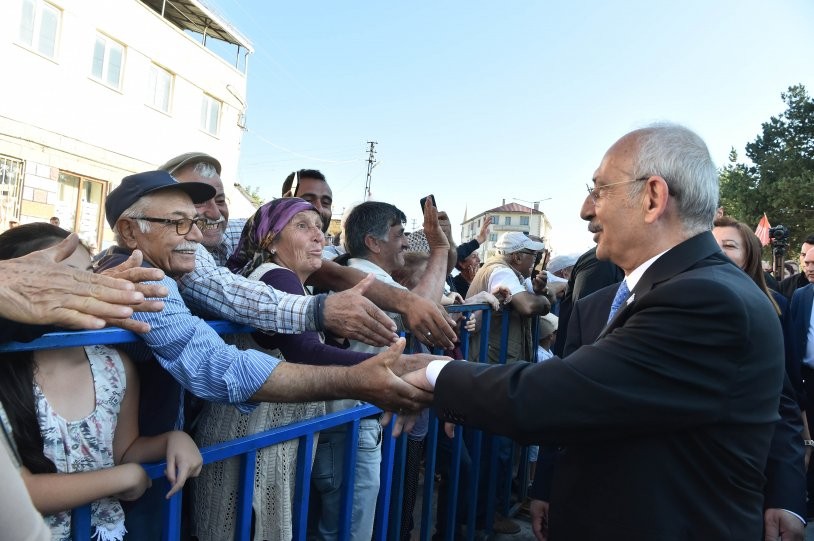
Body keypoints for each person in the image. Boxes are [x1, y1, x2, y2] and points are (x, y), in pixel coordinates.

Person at [409, 123, 786, 540]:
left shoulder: (704, 298)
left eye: (600, 189)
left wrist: (432, 372)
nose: (586, 209)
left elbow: (565, 394)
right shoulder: (691, 287)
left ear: (653, 197)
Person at [0, 223, 202, 541]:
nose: (86, 289)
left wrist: (171, 440)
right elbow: (15, 487)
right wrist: (121, 479)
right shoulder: (6, 378)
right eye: (64, 280)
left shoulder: (115, 367)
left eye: (89, 274)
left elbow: (125, 450)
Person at [162, 152, 457, 352]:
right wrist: (321, 312)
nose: (316, 211)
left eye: (325, 203)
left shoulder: (236, 231)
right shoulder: (190, 251)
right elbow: (227, 292)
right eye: (304, 205)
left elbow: (336, 275)